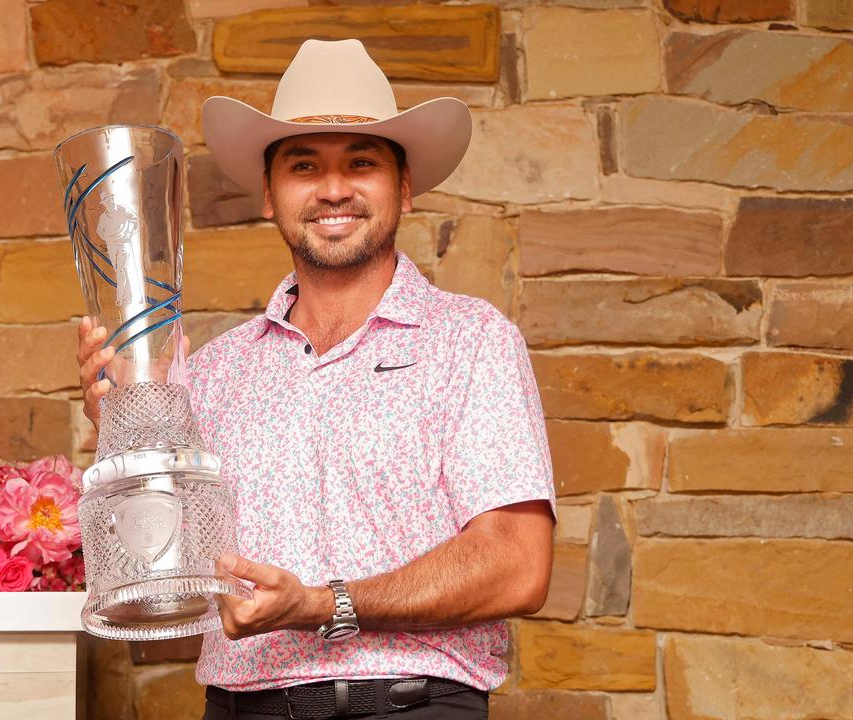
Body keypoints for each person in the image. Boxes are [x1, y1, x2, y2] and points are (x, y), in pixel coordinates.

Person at [76, 38, 555, 720]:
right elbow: (165, 564)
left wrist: (323, 606)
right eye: (305, 166)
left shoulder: (471, 343)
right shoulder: (211, 372)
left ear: (405, 189)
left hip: (414, 708)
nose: (334, 189)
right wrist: (127, 432)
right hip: (244, 707)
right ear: (270, 196)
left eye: (361, 163)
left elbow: (518, 564)